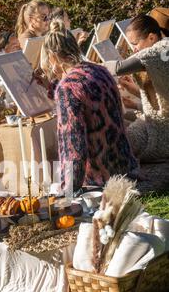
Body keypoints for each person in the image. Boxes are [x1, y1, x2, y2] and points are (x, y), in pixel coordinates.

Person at [40, 20, 139, 192]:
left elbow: (73, 147)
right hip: (125, 167)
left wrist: (69, 189)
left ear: (53, 57)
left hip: (100, 178)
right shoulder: (99, 70)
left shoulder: (67, 87)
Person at [105, 14, 169, 161]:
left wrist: (84, 67)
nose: (134, 49)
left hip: (163, 129)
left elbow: (119, 67)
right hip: (152, 123)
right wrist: (134, 94)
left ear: (152, 37)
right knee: (120, 144)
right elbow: (160, 101)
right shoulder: (158, 53)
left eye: (135, 44)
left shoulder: (164, 49)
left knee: (122, 147)